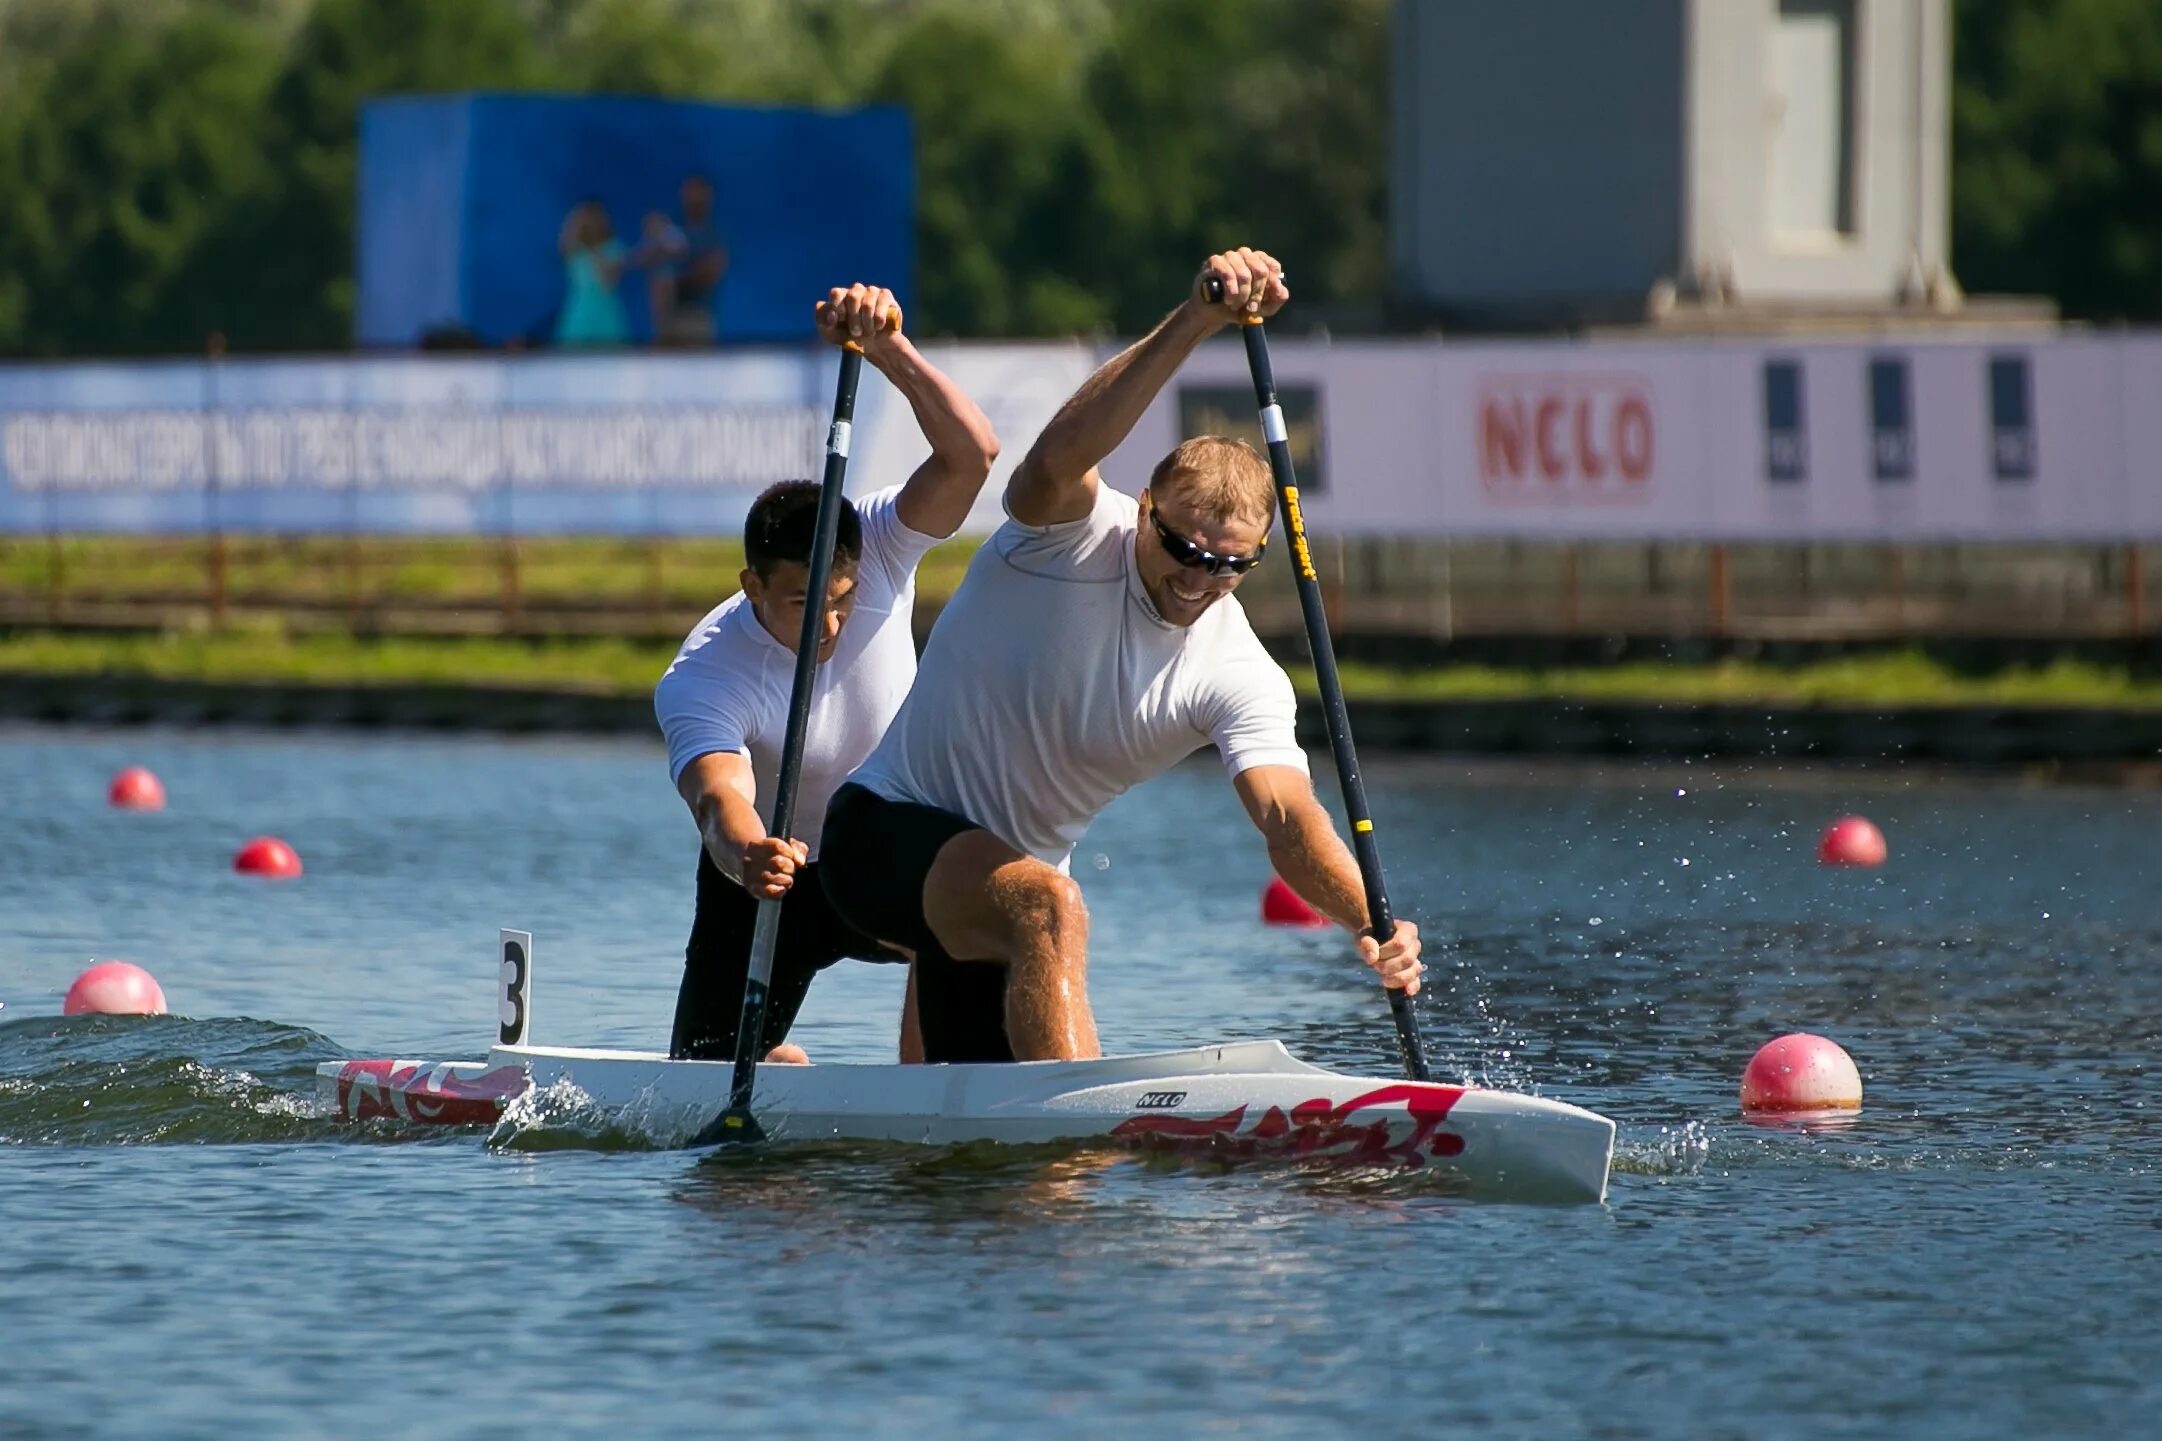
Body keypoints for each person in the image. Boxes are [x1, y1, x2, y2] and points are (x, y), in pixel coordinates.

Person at [818, 248, 1423, 1064]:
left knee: (971, 1159)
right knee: (1054, 911)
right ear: (1143, 510)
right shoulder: (1065, 530)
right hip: (881, 833)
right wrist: (1198, 319)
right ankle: (1091, 1164)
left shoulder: (1239, 672)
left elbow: (1286, 816)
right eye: (1182, 546)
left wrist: (1372, 921)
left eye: (1229, 564)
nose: (1198, 577)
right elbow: (1058, 454)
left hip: (998, 890)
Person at [654, 283, 999, 1064]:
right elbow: (716, 795)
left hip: (892, 844)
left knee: (980, 922)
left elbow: (972, 455)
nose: (830, 626)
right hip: (769, 877)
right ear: (753, 588)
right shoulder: (705, 672)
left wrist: (887, 350)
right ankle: (778, 1066)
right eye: (804, 605)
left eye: (841, 601)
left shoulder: (878, 542)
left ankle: (932, 1085)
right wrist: (749, 850)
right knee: (704, 1079)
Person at [646, 175, 728, 346]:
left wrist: (673, 281)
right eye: (690, 194)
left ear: (708, 198)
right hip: (667, 318)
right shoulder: (673, 230)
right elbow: (649, 262)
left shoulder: (713, 235)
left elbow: (711, 273)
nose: (694, 199)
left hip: (696, 316)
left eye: (699, 194)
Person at [553, 200, 629, 348]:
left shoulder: (615, 248)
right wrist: (576, 220)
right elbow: (563, 243)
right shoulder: (575, 250)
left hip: (605, 313)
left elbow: (608, 281)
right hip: (579, 313)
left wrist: (594, 249)